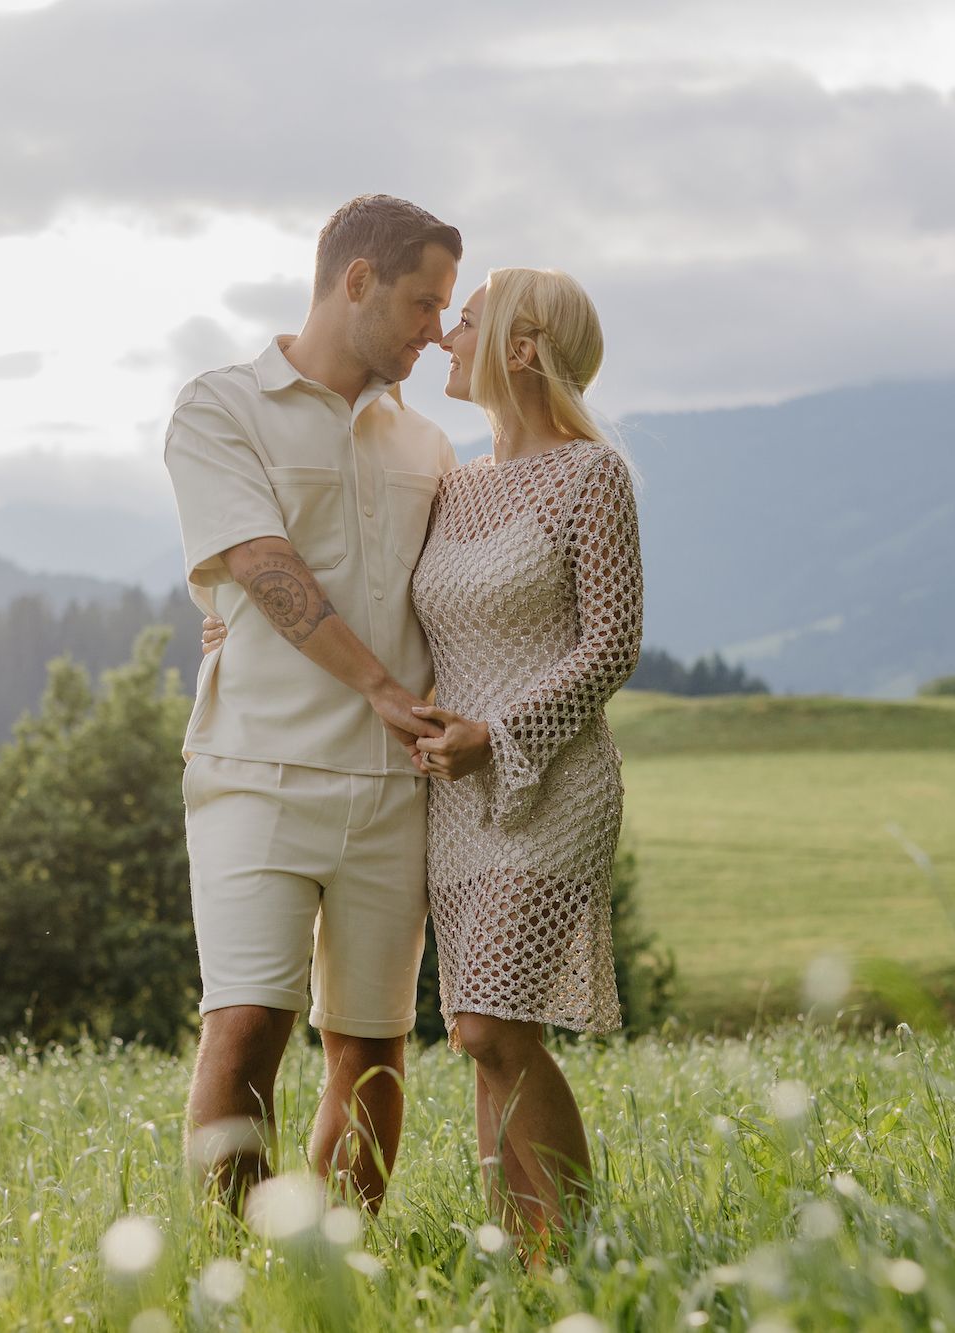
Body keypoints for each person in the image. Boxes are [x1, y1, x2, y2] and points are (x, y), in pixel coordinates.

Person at [206, 267, 645, 1246]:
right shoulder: (455, 482)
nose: (446, 334)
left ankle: (574, 1250)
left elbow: (610, 644)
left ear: (521, 350)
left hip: (549, 779)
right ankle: (527, 1259)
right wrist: (225, 622)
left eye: (469, 321)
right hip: (451, 792)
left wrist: (501, 731)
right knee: (480, 1036)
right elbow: (368, 583)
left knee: (493, 1027)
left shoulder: (591, 474)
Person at [162, 193, 460, 1214]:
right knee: (245, 1024)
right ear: (356, 280)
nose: (435, 329)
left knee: (371, 1049)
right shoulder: (220, 406)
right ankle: (230, 1275)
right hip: (255, 769)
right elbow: (259, 560)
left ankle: (330, 1279)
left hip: (392, 786)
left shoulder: (425, 444)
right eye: (422, 303)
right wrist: (377, 683)